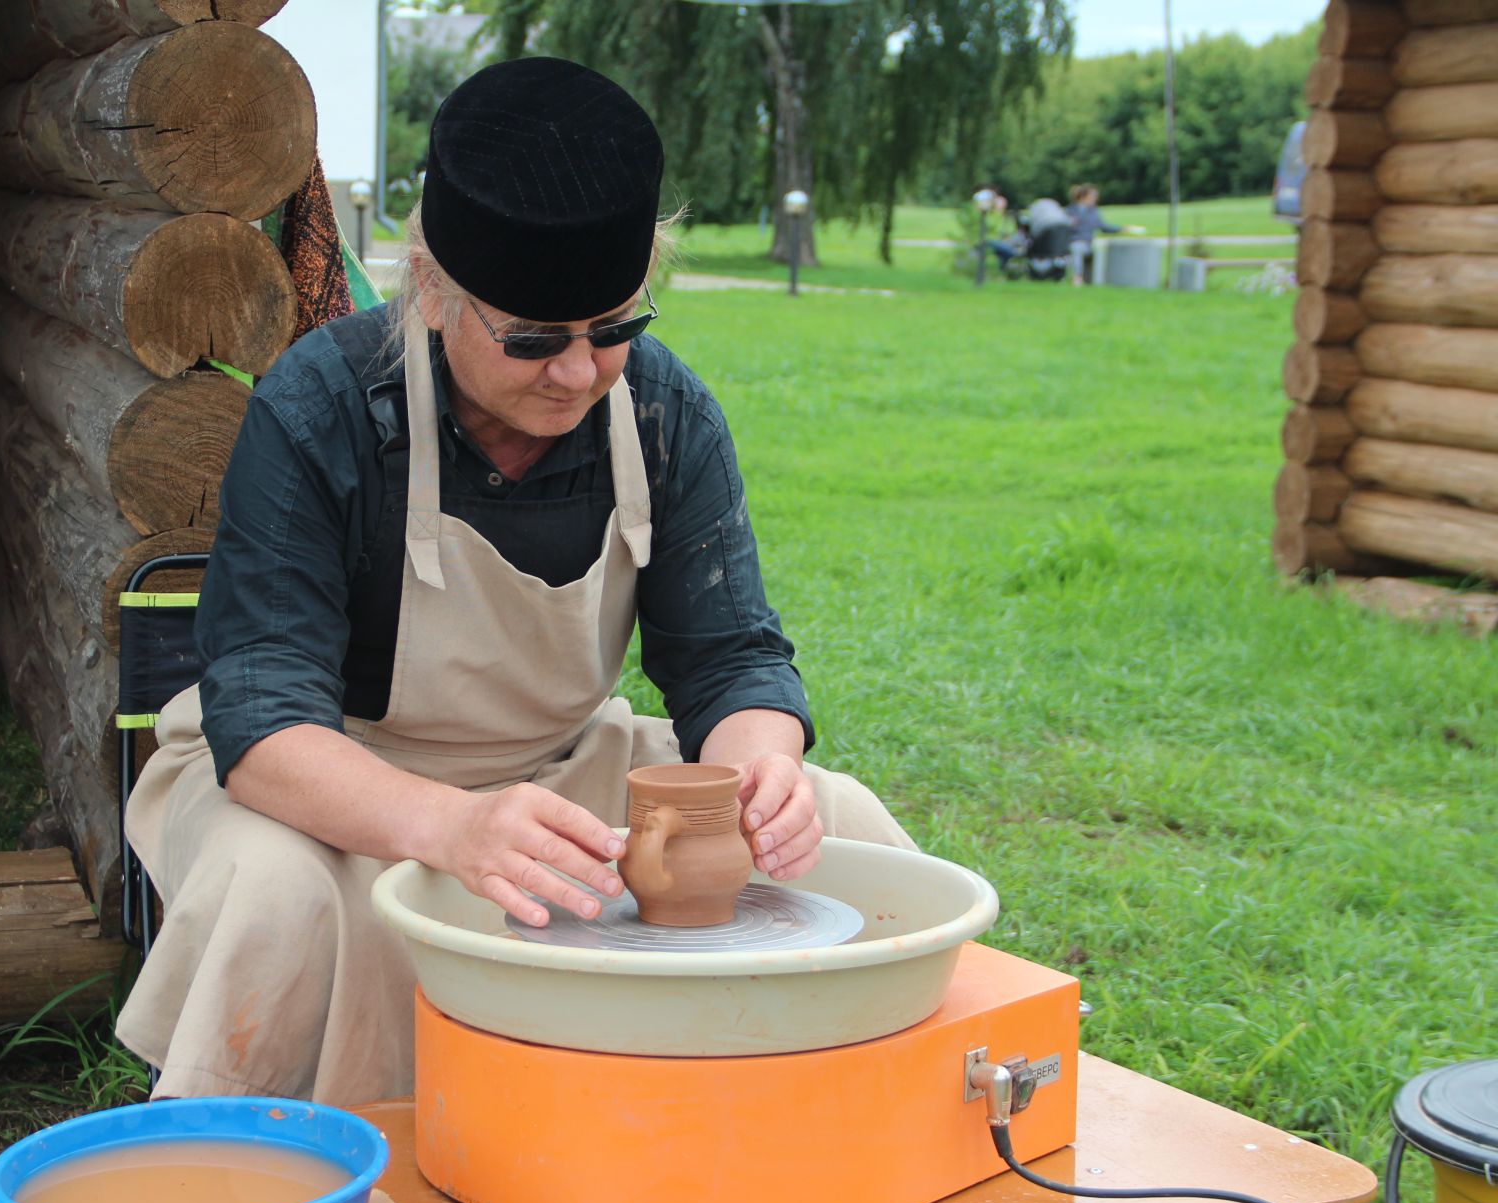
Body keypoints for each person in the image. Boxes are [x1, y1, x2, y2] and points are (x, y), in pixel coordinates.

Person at [114, 57, 919, 1105]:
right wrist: (449, 825)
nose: (579, 373)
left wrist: (756, 766)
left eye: (615, 330)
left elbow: (728, 657)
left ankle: (850, 1127)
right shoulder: (322, 405)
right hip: (323, 777)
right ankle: (229, 1184)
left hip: (552, 772)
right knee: (272, 891)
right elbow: (262, 724)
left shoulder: (667, 415)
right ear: (433, 284)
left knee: (838, 815)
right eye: (536, 339)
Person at [1066, 184, 1144, 286]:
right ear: (1083, 197)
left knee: (1079, 248)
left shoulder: (1093, 211)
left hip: (1086, 244)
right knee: (1076, 247)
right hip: (1071, 243)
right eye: (1092, 196)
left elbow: (1103, 227)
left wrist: (1124, 228)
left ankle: (1082, 279)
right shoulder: (1070, 211)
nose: (1095, 199)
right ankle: (1077, 278)